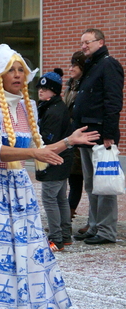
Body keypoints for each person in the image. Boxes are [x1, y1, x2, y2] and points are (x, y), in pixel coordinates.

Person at [0, 44, 99, 309]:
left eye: (21, 69)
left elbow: (39, 152)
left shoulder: (26, 107)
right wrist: (36, 152)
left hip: (15, 187)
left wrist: (68, 141)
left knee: (25, 251)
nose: (18, 75)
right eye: (12, 70)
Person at [72, 29, 124, 245]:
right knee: (92, 184)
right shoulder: (93, 65)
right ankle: (94, 226)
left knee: (105, 184)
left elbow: (113, 100)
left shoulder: (108, 64)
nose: (84, 46)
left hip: (101, 135)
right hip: (86, 134)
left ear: (100, 42)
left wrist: (109, 134)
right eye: (82, 42)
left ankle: (106, 231)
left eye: (88, 42)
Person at [35, 69, 73, 252]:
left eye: (46, 89)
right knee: (60, 198)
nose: (41, 91)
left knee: (50, 199)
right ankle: (65, 236)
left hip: (54, 159)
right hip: (63, 159)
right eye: (40, 88)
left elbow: (48, 139)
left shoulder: (53, 111)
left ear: (55, 91)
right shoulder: (53, 107)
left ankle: (56, 238)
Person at [64, 51, 87, 224]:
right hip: (69, 135)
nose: (70, 69)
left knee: (77, 177)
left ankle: (70, 212)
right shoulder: (70, 84)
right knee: (72, 177)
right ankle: (68, 213)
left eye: (74, 65)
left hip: (81, 135)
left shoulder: (84, 85)